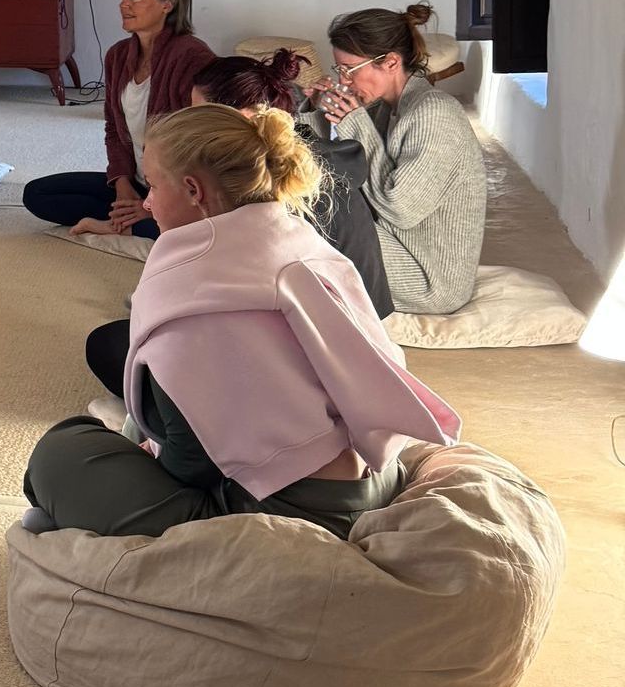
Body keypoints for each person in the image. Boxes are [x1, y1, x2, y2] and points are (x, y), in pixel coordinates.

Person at [23, 104, 459, 541]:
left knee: (62, 451)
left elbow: (189, 466)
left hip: (281, 512)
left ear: (194, 190)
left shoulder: (192, 288)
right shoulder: (301, 241)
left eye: (152, 185)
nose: (148, 201)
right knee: (132, 397)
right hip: (374, 476)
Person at [80, 49, 394, 399]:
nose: (195, 124)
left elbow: (220, 300)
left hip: (314, 374)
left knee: (115, 346)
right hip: (362, 351)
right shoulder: (296, 154)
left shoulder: (251, 186)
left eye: (202, 114)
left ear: (235, 117)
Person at [303, 2, 486, 316]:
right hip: (398, 245)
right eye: (339, 70)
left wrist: (353, 120)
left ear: (389, 62)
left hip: (429, 279)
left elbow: (400, 209)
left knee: (311, 217)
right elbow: (330, 156)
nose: (343, 81)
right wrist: (318, 108)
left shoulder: (434, 112)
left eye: (349, 70)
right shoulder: (383, 107)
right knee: (304, 191)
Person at [20, 0, 213, 239]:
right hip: (136, 181)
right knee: (37, 194)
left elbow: (200, 148)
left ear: (166, 4)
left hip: (177, 189)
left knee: (188, 229)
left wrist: (152, 205)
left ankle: (135, 222)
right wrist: (122, 185)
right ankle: (130, 220)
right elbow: (113, 128)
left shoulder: (193, 57)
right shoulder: (118, 56)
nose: (124, 4)